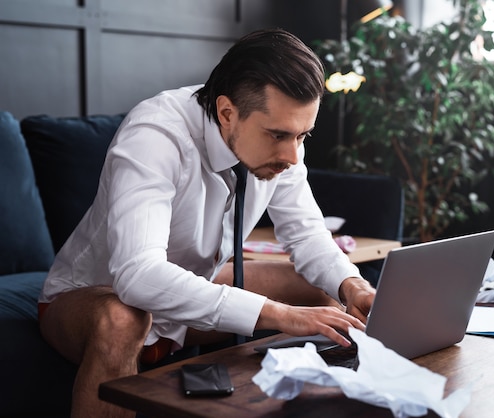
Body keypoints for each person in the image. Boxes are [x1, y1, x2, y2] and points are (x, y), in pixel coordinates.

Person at [38, 28, 376, 417]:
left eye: (303, 135)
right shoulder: (155, 135)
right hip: (93, 296)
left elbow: (308, 236)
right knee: (122, 318)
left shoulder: (282, 148)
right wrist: (279, 314)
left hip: (195, 287)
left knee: (326, 293)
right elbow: (137, 275)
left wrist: (354, 285)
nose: (293, 156)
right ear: (227, 112)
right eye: (279, 135)